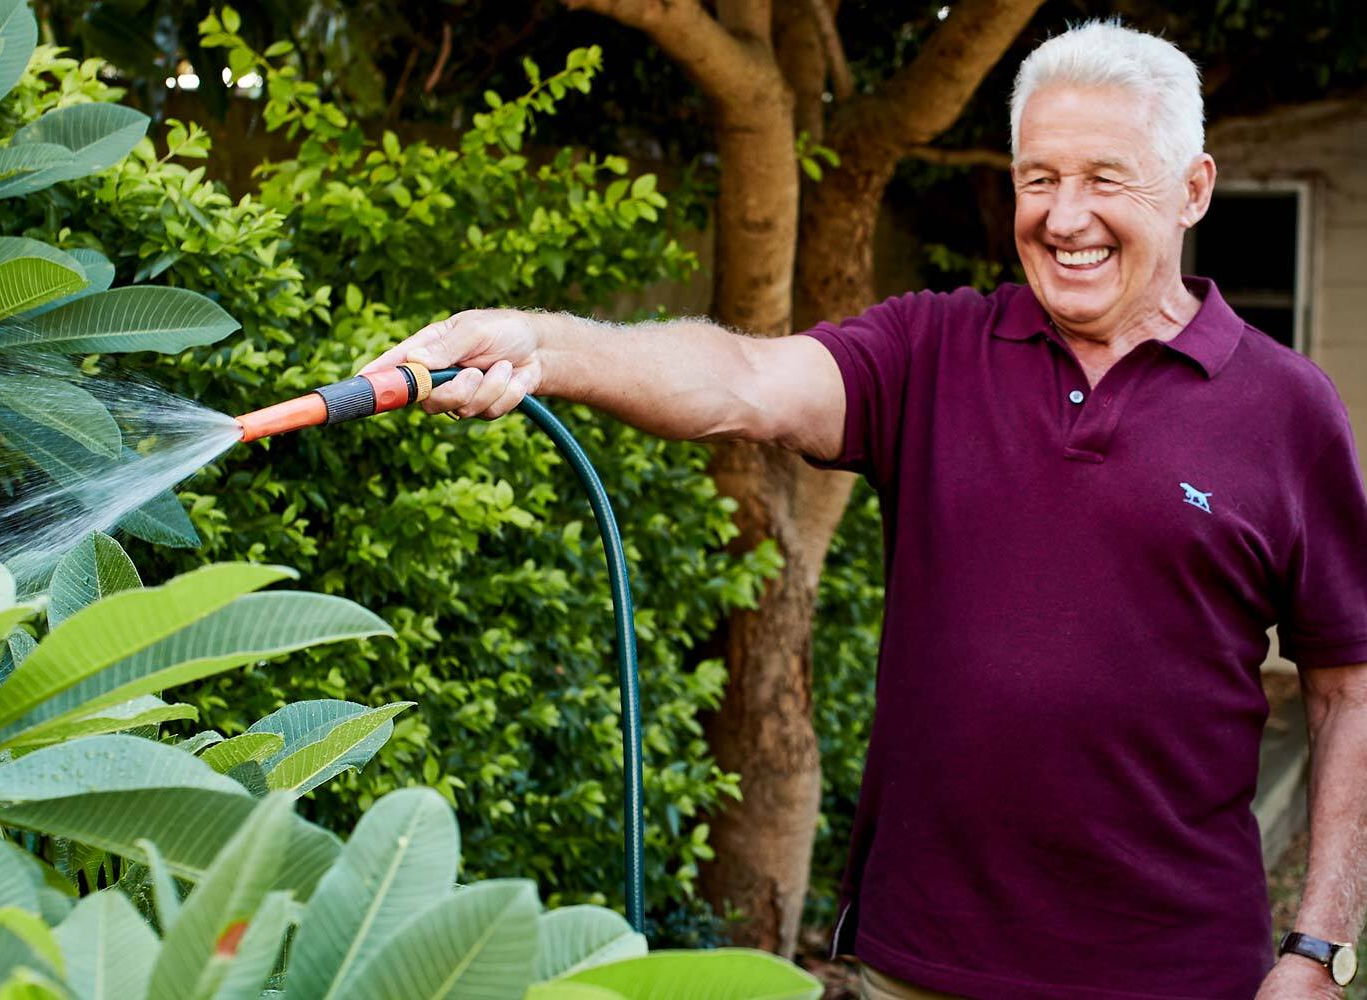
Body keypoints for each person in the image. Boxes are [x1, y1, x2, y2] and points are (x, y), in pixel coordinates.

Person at [364, 20, 1367, 1000]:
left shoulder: (1283, 410)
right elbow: (740, 379)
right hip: (913, 966)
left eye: (1104, 180)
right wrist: (538, 344)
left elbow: (1344, 687)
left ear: (1190, 188)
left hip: (1176, 974)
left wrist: (1318, 948)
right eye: (1037, 179)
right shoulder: (929, 351)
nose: (1064, 218)